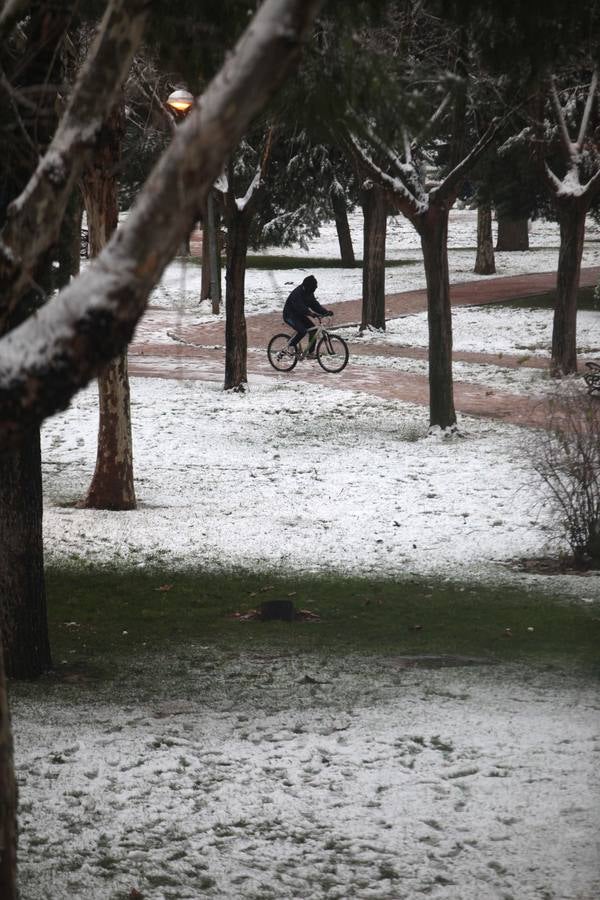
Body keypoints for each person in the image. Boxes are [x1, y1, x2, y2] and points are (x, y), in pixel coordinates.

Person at [282, 275, 333, 357]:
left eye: (314, 289)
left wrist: (325, 312)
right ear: (307, 286)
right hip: (289, 315)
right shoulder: (297, 293)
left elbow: (315, 305)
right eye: (313, 288)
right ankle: (291, 346)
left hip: (300, 316)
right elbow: (300, 307)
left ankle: (310, 353)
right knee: (302, 331)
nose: (313, 291)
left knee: (313, 331)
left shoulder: (309, 292)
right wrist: (310, 313)